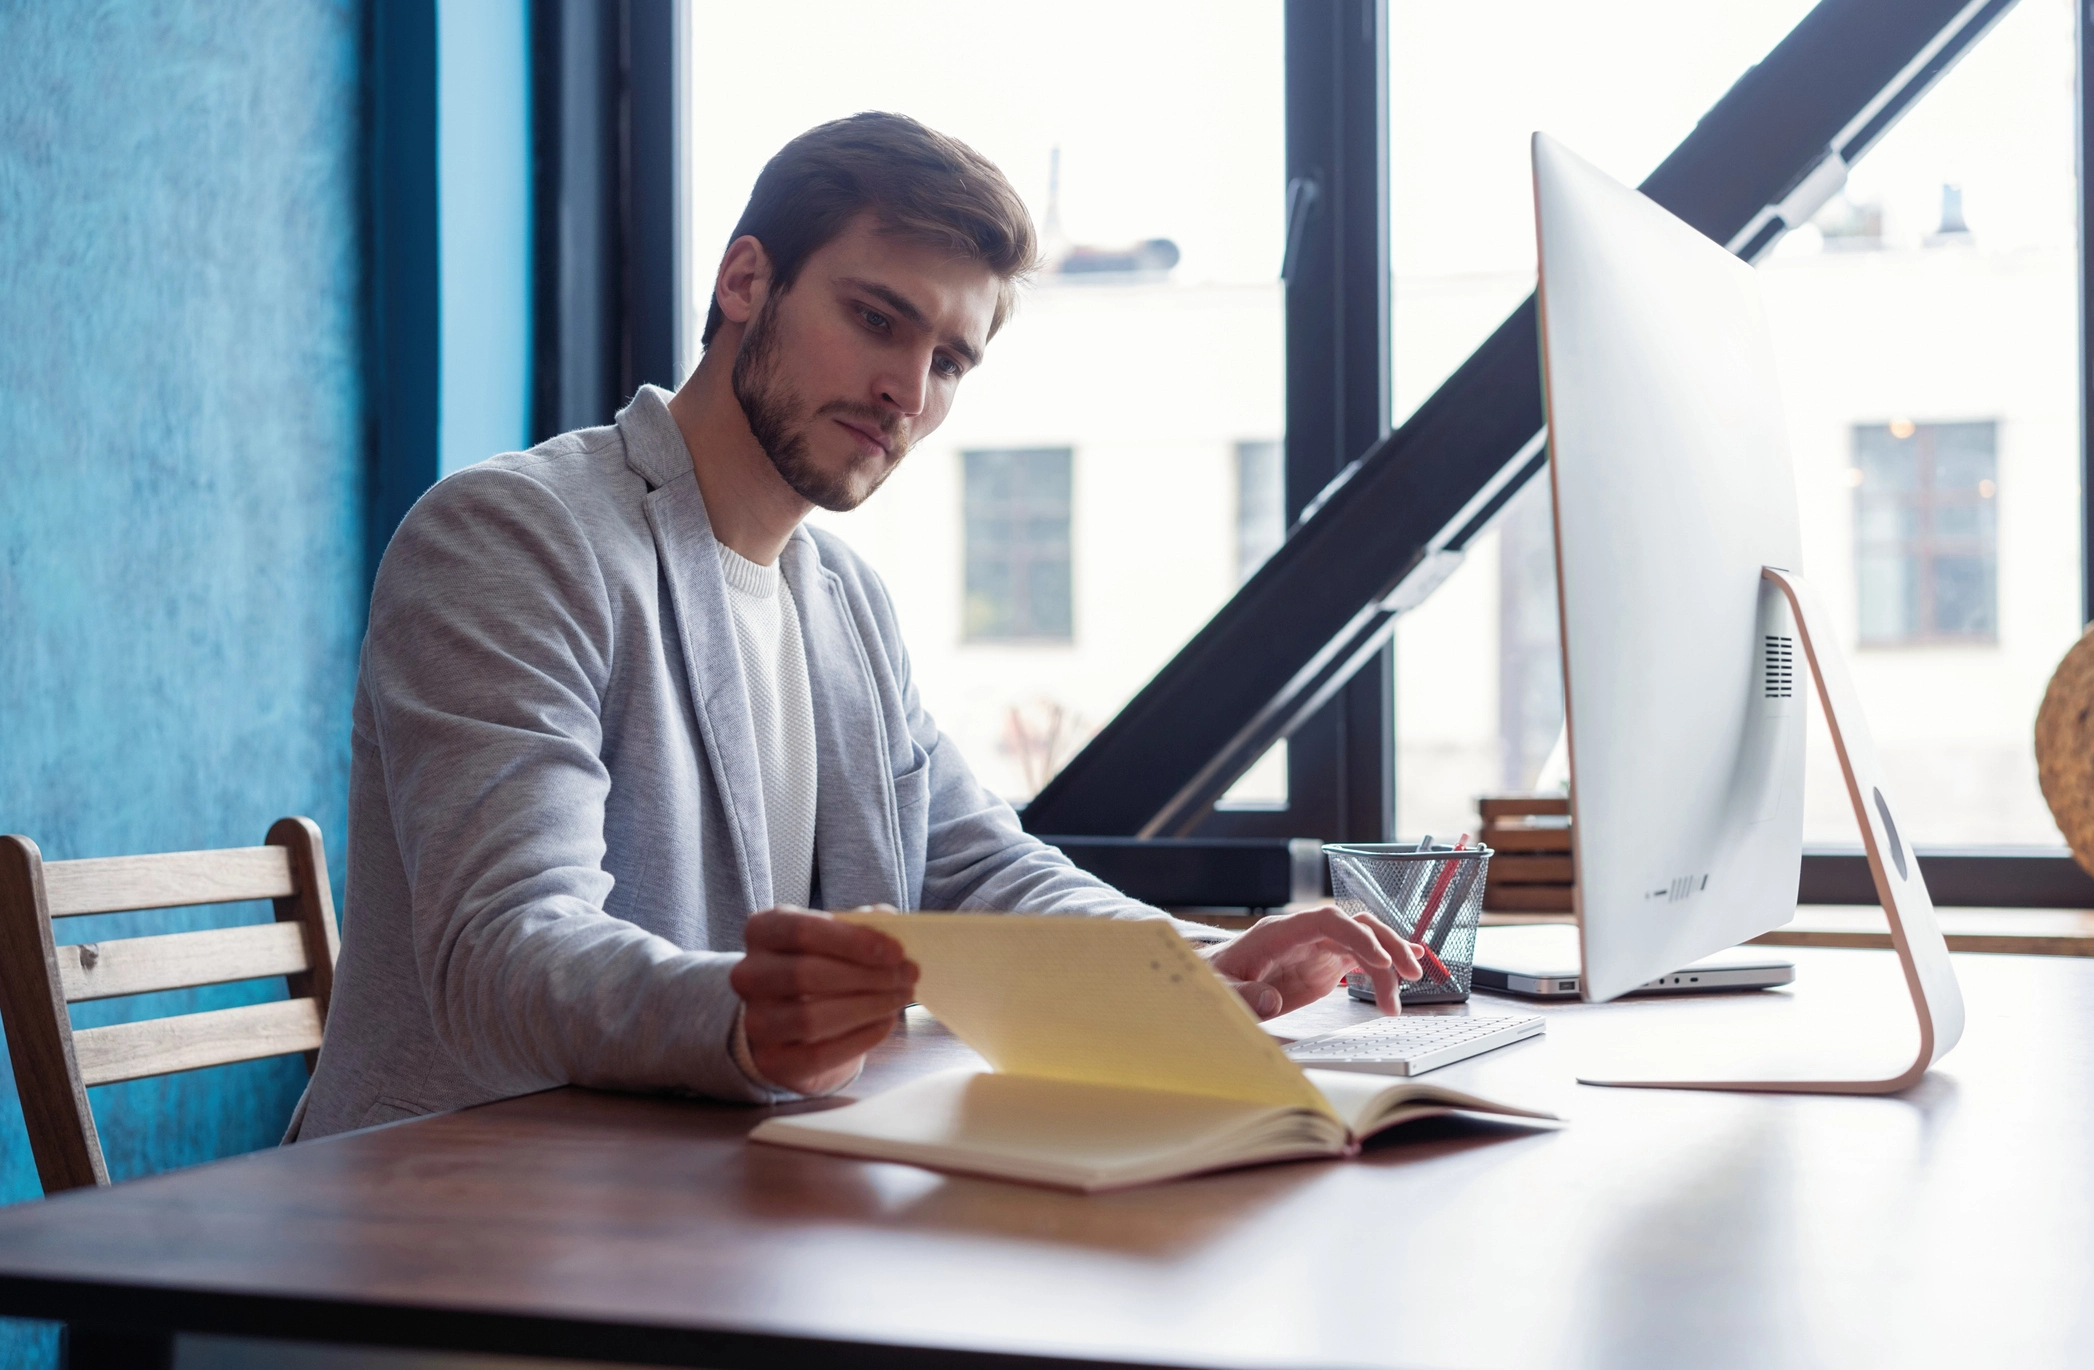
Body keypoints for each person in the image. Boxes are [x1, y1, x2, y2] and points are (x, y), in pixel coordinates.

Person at [293, 113, 1420, 1138]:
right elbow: (504, 946)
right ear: (747, 280)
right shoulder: (512, 536)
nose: (905, 390)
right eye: (876, 318)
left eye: (947, 362)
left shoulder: (842, 600)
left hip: (715, 1193)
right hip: (453, 1215)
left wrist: (1196, 968)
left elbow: (982, 867)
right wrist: (743, 1017)